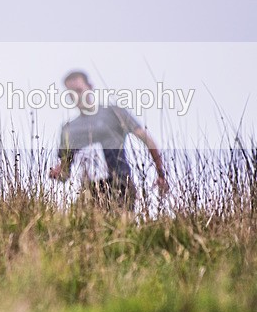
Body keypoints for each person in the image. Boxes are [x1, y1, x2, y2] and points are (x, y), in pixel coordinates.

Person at [49, 70, 168, 210]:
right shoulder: (68, 129)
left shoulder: (113, 112)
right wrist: (56, 173)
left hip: (120, 186)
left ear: (90, 87)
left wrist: (160, 173)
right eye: (71, 94)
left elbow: (147, 140)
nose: (77, 97)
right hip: (88, 191)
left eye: (79, 90)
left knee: (119, 229)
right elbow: (65, 171)